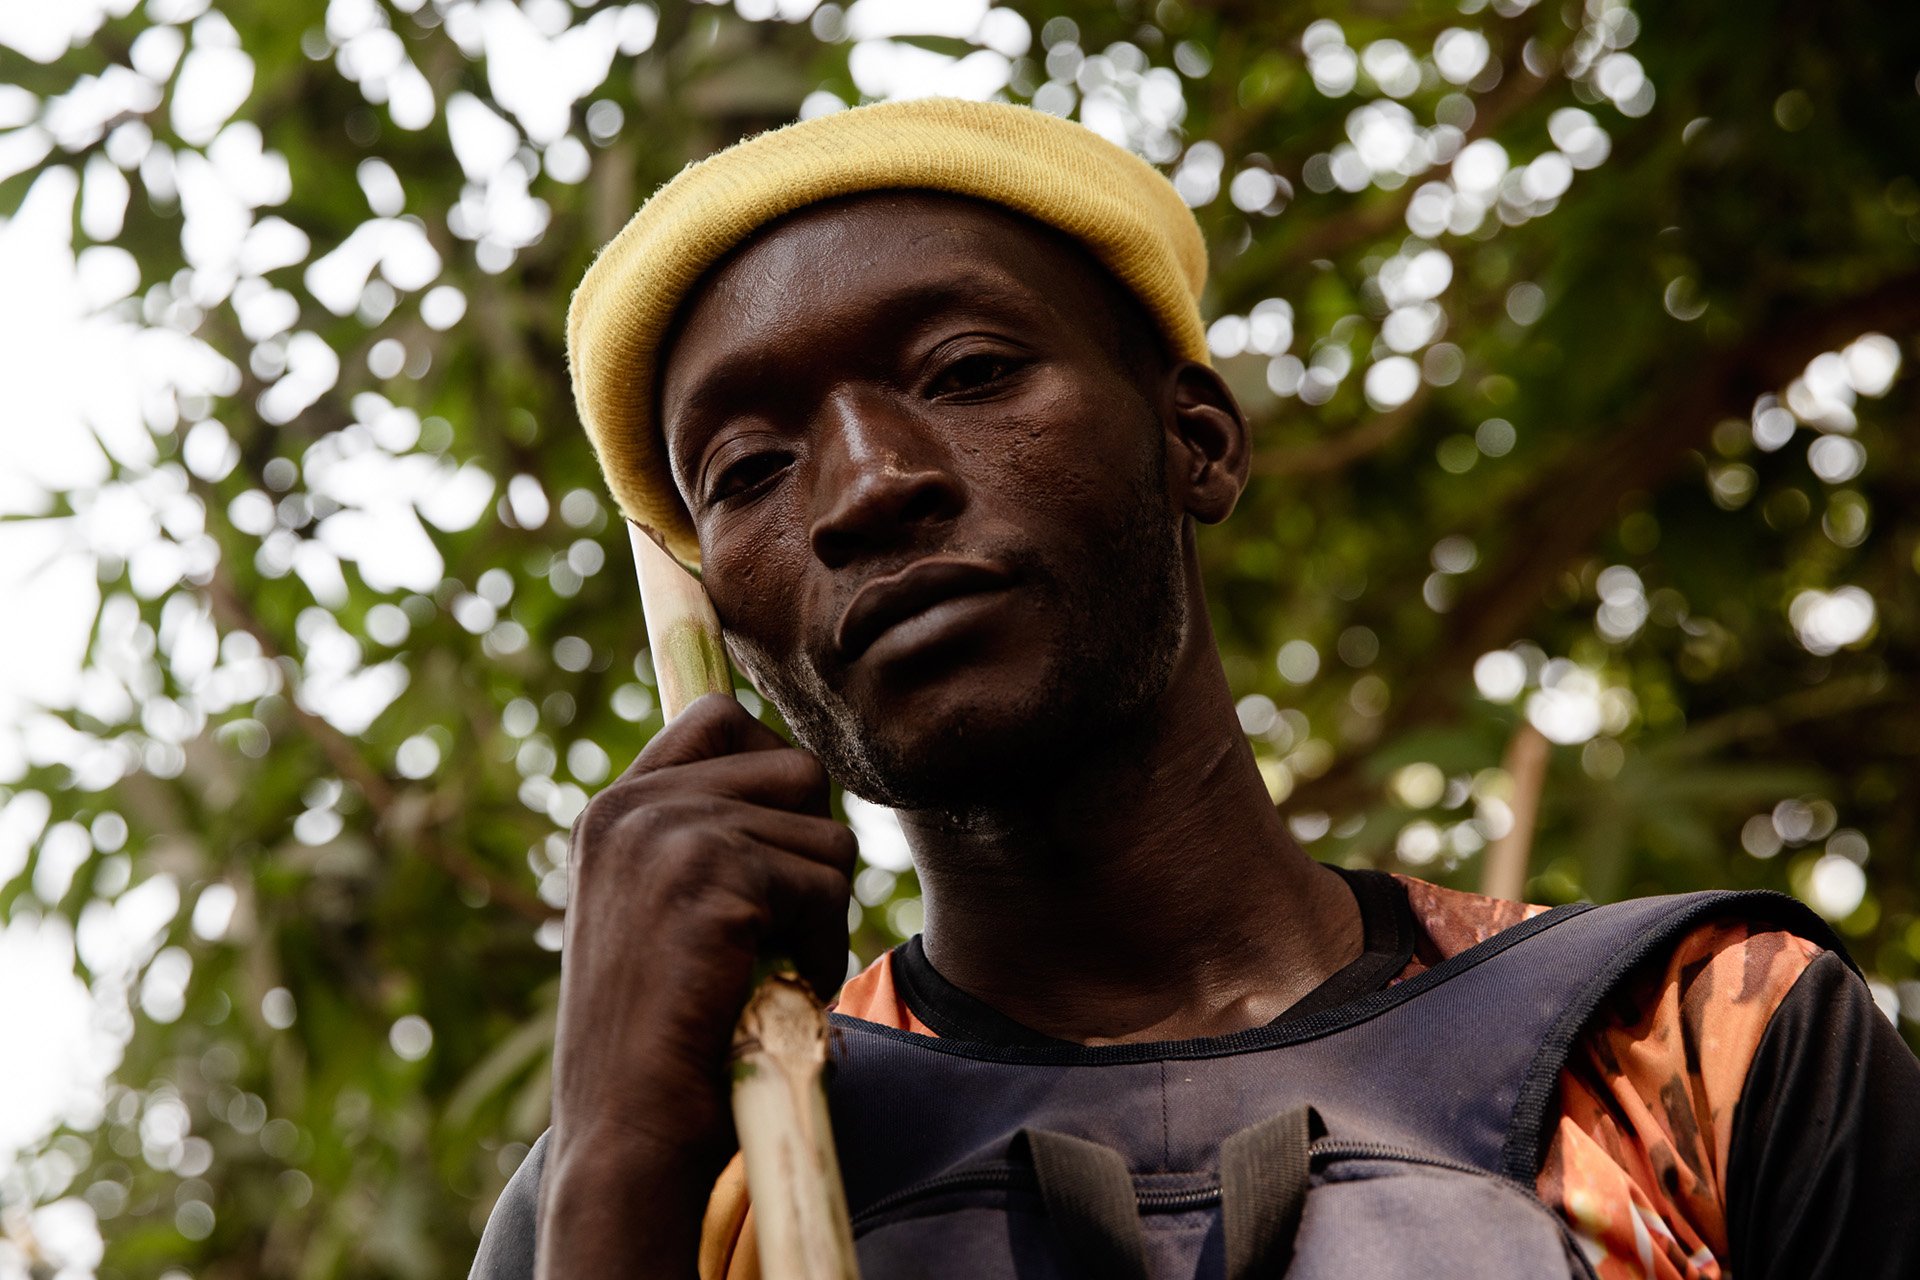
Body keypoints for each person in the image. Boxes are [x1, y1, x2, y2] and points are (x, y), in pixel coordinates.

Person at [471, 98, 1919, 1279]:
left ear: (1200, 443)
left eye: (966, 370)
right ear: (723, 609)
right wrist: (606, 1170)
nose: (865, 487)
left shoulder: (1696, 1040)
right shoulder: (696, 1167)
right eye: (748, 472)